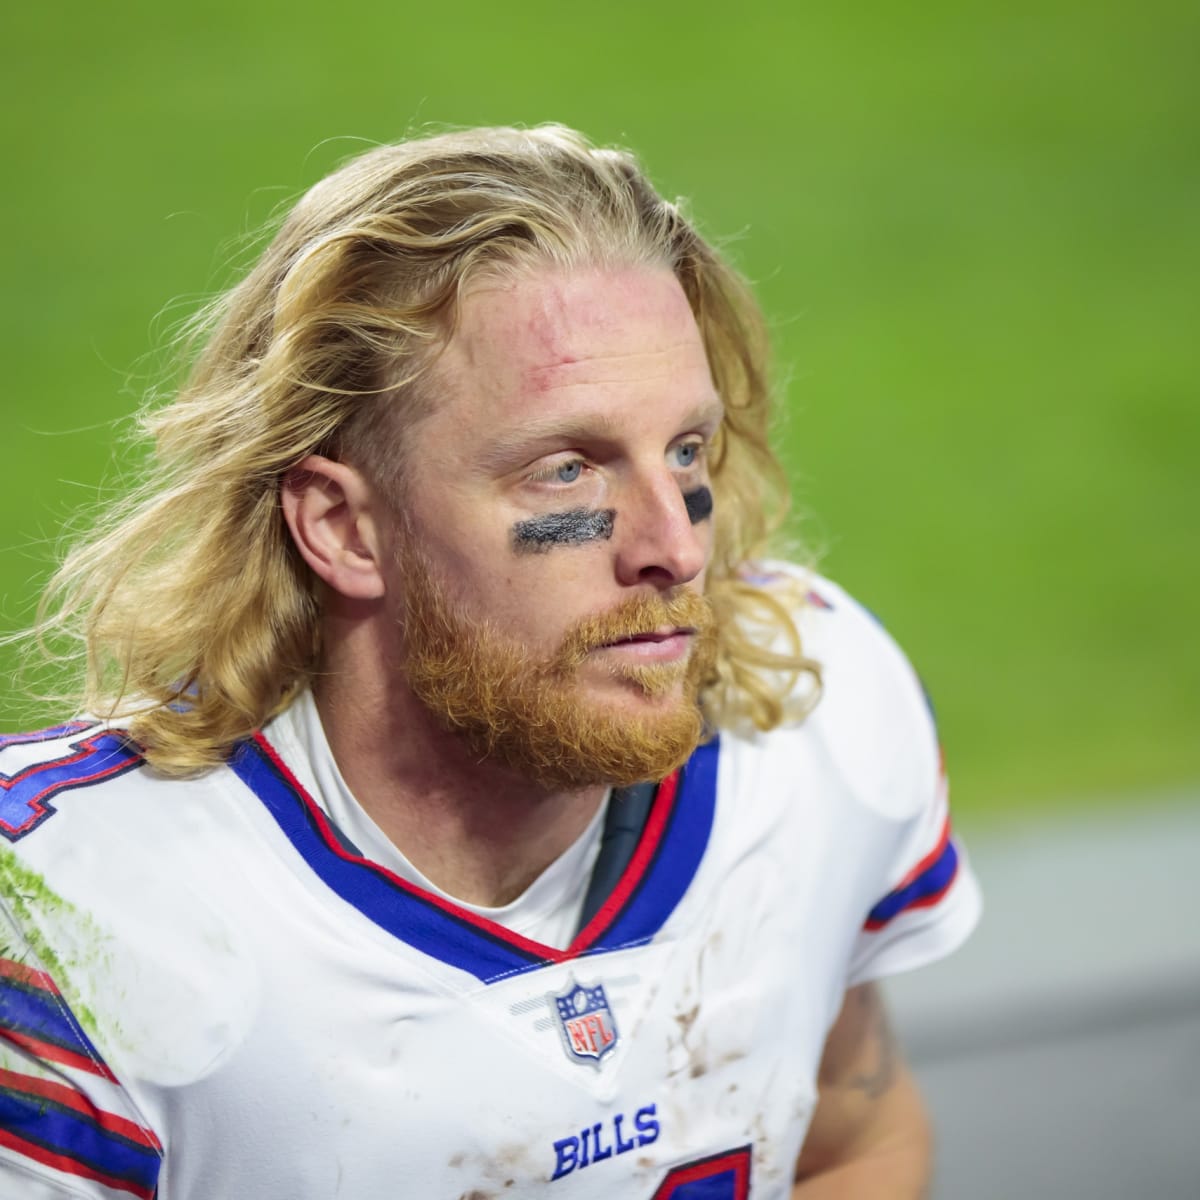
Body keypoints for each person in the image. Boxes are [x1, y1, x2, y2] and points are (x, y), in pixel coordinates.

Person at [0, 124, 980, 1199]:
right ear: (344, 529)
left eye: (686, 451)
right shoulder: (67, 922)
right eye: (568, 470)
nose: (677, 547)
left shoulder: (812, 710)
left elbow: (855, 1143)